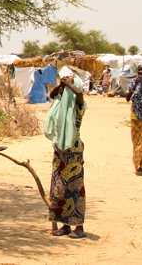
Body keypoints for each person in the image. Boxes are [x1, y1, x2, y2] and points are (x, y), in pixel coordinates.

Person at [44, 74, 86, 239]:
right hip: (60, 152)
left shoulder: (78, 106)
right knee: (59, 189)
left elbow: (80, 95)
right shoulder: (60, 103)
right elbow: (52, 95)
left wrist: (70, 85)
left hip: (73, 152)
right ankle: (65, 225)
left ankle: (79, 226)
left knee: (75, 188)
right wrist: (61, 86)